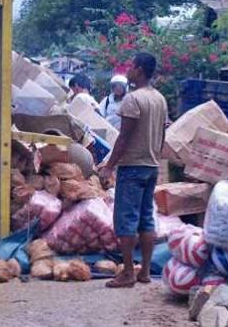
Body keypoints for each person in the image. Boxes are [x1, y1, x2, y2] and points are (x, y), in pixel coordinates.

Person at [98, 52, 168, 289]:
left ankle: (128, 272)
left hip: (132, 167)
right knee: (146, 219)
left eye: (131, 67)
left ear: (138, 70)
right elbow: (163, 133)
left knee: (126, 220)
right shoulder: (160, 99)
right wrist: (155, 155)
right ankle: (145, 271)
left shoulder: (132, 99)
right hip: (151, 166)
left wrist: (108, 167)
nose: (128, 71)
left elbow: (124, 137)